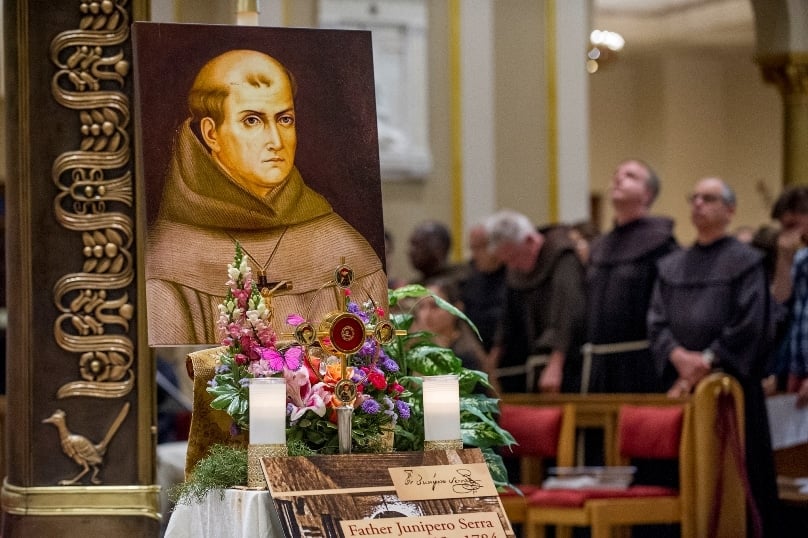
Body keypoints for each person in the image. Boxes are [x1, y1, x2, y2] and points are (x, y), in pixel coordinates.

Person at [145, 49, 388, 345]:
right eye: (252, 121)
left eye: (284, 119)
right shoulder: (168, 260)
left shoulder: (345, 250)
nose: (275, 141)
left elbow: (375, 366)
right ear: (211, 133)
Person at [648, 177, 780, 536]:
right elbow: (657, 321)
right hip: (681, 386)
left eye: (709, 198)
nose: (698, 205)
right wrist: (677, 357)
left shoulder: (748, 263)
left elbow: (751, 324)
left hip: (731, 387)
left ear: (730, 210)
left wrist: (706, 361)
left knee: (739, 476)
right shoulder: (671, 266)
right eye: (694, 198)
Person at [586, 159, 677, 394]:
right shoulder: (599, 246)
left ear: (647, 194)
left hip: (641, 363)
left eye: (630, 176)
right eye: (616, 174)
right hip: (599, 362)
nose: (617, 178)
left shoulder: (661, 243)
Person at [485, 210, 586, 393]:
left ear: (531, 241)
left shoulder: (561, 254)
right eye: (506, 261)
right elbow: (508, 318)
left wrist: (556, 362)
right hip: (535, 358)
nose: (513, 266)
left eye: (514, 257)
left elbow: (568, 311)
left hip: (569, 362)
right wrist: (493, 358)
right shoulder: (516, 266)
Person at [413, 278, 488, 375]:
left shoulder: (465, 357)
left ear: (456, 309)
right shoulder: (417, 352)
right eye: (422, 306)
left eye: (435, 306)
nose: (427, 315)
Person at [458, 222, 506, 354]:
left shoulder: (513, 276)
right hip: (476, 353)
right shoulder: (469, 276)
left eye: (479, 248)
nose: (474, 255)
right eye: (472, 248)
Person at [406, 220, 466, 285]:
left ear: (439, 248)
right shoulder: (415, 286)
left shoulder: (463, 283)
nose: (411, 252)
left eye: (418, 245)